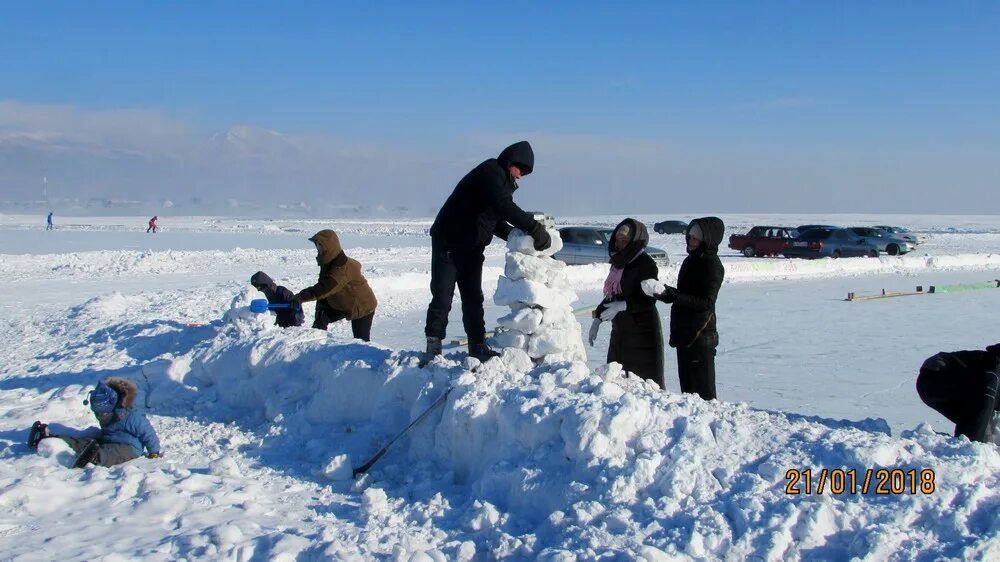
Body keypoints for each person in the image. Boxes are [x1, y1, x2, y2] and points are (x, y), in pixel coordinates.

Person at [421, 140, 552, 366]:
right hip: (448, 242)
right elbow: (502, 206)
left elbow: (493, 219)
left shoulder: (500, 182)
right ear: (512, 161)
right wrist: (533, 227)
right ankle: (433, 347)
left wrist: (516, 236)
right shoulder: (490, 172)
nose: (520, 176)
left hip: (472, 246)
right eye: (521, 170)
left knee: (473, 297)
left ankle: (477, 345)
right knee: (443, 295)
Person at [643, 217, 726, 400]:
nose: (691, 241)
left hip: (701, 334)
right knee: (688, 394)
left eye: (695, 238)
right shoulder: (691, 261)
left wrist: (673, 296)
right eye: (689, 237)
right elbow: (684, 294)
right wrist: (663, 292)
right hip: (685, 333)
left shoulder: (712, 265)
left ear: (707, 239)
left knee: (703, 396)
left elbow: (706, 302)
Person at [588, 218, 664, 387]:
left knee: (643, 385)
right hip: (620, 331)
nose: (618, 244)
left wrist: (623, 305)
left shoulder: (646, 263)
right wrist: (597, 318)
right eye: (617, 240)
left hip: (642, 335)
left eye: (624, 241)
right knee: (615, 381)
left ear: (634, 242)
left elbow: (649, 299)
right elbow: (611, 296)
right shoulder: (618, 263)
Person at [27, 378, 161, 467]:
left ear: (113, 406)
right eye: (96, 413)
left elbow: (148, 433)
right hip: (109, 440)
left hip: (129, 448)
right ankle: (56, 441)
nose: (99, 416)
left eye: (102, 413)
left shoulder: (131, 417)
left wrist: (154, 452)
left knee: (109, 453)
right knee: (86, 440)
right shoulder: (106, 413)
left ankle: (95, 458)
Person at [292, 229, 378, 341]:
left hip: (362, 306)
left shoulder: (341, 269)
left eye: (320, 246)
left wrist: (300, 297)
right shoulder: (329, 262)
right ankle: (315, 346)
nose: (318, 249)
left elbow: (325, 288)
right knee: (321, 319)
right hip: (341, 302)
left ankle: (365, 357)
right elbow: (323, 286)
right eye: (317, 246)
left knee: (361, 342)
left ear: (329, 246)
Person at [916, 344, 1000, 443]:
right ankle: (968, 446)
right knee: (990, 379)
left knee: (986, 426)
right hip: (935, 375)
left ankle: (978, 447)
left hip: (963, 393)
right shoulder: (991, 364)